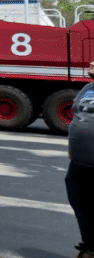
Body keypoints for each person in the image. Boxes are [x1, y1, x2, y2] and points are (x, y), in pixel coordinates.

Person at [67, 65, 94, 258]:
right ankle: (91, 247)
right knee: (81, 204)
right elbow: (79, 115)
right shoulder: (87, 88)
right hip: (79, 163)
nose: (91, 62)